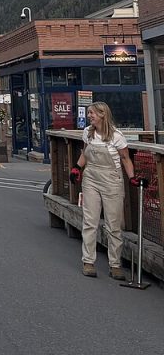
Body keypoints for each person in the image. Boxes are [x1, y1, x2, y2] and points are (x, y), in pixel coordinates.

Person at [76, 101, 135, 279]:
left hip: (111, 180)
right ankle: (88, 261)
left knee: (113, 224)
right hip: (91, 177)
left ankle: (115, 265)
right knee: (90, 221)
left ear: (102, 115)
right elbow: (85, 153)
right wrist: (76, 168)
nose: (89, 116)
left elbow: (125, 158)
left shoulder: (116, 136)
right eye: (89, 113)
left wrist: (132, 177)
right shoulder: (88, 132)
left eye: (92, 113)